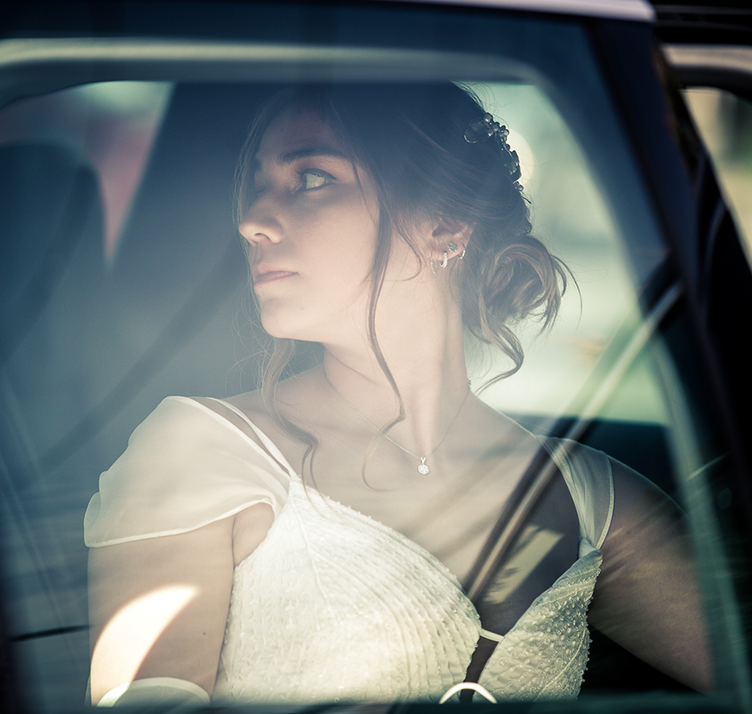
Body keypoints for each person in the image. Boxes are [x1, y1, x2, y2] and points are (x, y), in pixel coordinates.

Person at [84, 83, 711, 707]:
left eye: (311, 178)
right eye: (257, 185)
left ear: (444, 225)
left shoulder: (588, 496)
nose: (251, 222)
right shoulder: (198, 450)